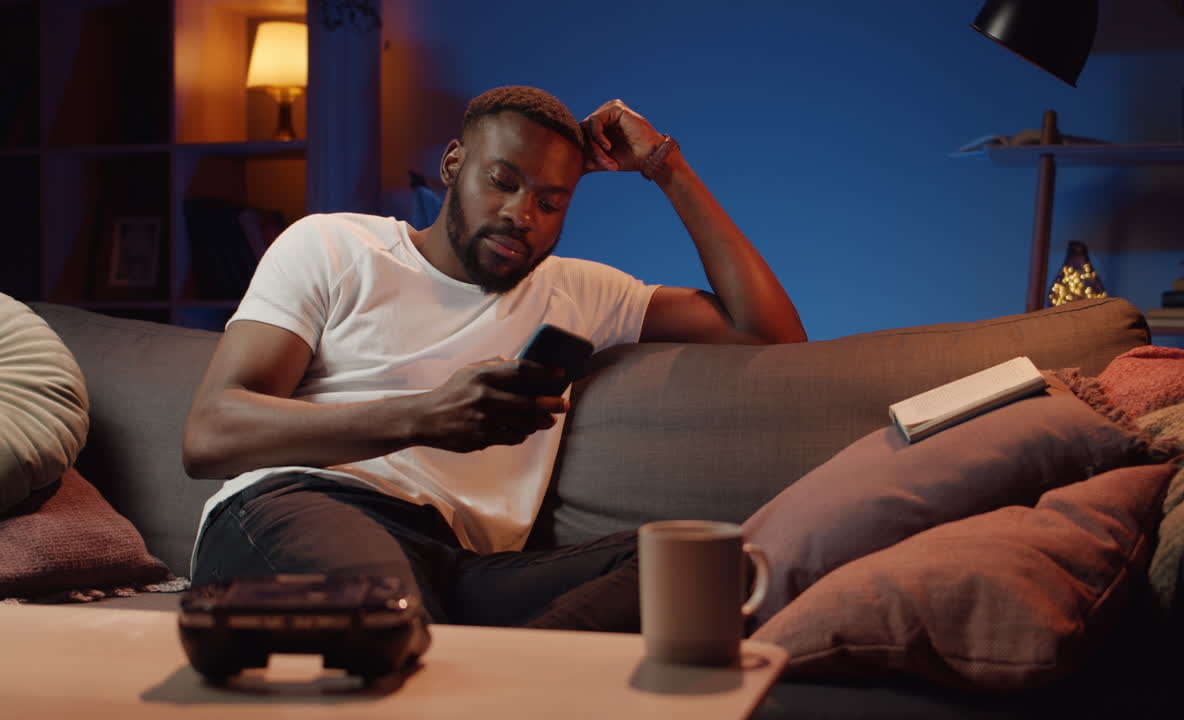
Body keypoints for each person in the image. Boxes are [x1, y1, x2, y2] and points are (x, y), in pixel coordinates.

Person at [182, 86, 806, 631]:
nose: (520, 214)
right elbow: (210, 434)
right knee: (391, 609)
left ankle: (491, 675)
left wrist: (665, 166)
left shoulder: (577, 291)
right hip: (301, 505)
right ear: (455, 163)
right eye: (502, 181)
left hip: (459, 562)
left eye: (550, 201)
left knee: (703, 565)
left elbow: (770, 334)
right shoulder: (333, 244)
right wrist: (423, 416)